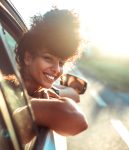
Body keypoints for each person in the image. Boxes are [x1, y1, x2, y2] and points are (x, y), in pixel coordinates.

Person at [12, 7, 88, 143]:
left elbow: (73, 95)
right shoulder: (8, 90)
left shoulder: (42, 91)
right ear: (28, 57)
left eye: (61, 63)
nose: (56, 69)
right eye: (48, 58)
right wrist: (32, 107)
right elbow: (78, 120)